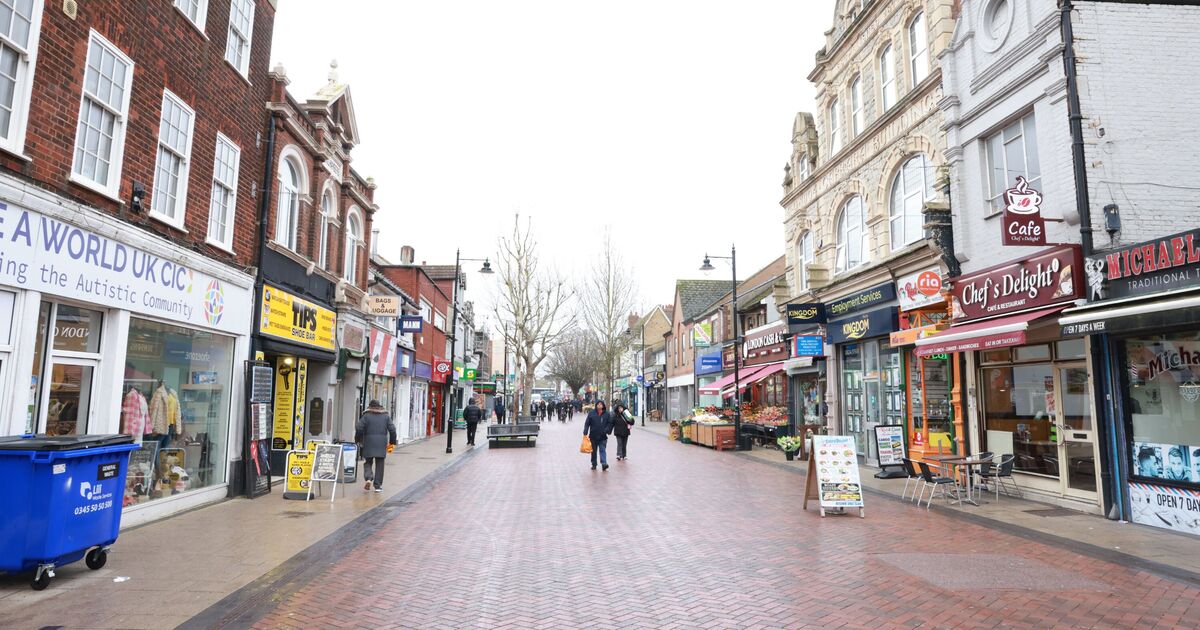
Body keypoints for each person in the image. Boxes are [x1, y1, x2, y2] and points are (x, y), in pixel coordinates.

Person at [355, 400, 397, 492]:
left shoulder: (366, 416)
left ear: (370, 407)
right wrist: (392, 443)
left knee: (368, 462)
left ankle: (368, 478)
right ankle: (378, 486)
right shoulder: (386, 417)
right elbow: (393, 430)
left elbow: (359, 428)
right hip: (381, 443)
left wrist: (358, 439)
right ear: (379, 407)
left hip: (368, 442)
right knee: (380, 464)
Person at [583, 400, 614, 471]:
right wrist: (585, 431)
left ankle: (604, 464)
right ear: (596, 405)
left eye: (601, 404)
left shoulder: (606, 414)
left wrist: (607, 430)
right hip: (593, 436)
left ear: (603, 405)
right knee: (594, 451)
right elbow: (587, 423)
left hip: (603, 436)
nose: (600, 405)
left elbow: (610, 423)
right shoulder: (591, 413)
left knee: (602, 450)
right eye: (598, 404)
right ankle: (594, 464)